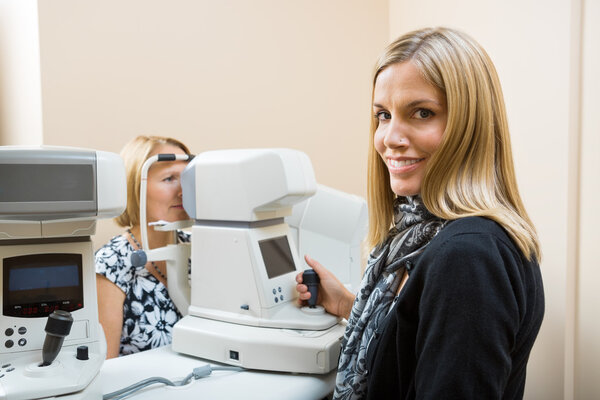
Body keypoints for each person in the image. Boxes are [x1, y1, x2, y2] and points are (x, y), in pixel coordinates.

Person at [296, 27, 544, 399]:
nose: (389, 138)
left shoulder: (468, 257)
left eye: (422, 113)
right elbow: (419, 341)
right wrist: (348, 304)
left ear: (470, 125)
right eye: (383, 115)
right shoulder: (427, 236)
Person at [95, 135, 192, 358]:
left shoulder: (199, 249)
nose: (182, 191)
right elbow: (106, 367)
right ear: (134, 187)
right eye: (169, 179)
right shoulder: (111, 264)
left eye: (186, 179)